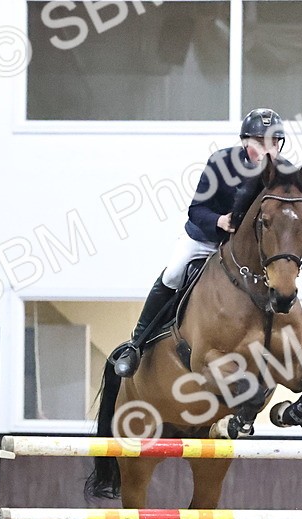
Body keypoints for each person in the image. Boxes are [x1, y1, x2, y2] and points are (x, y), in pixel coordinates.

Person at [110, 108, 287, 378]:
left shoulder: (282, 172)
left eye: (274, 142)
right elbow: (197, 210)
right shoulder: (221, 163)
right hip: (206, 240)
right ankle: (136, 343)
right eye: (260, 143)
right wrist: (220, 222)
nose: (268, 150)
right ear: (244, 142)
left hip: (248, 251)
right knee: (173, 274)